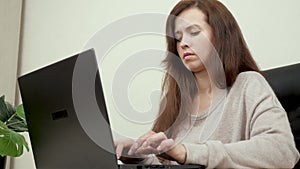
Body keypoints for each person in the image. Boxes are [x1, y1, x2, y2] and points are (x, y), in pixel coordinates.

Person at [114, 0, 300, 168]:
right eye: (177, 38)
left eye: (194, 32)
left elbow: (282, 151)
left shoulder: (247, 85)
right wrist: (138, 155)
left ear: (221, 36)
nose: (183, 44)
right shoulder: (174, 100)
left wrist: (188, 152)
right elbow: (168, 164)